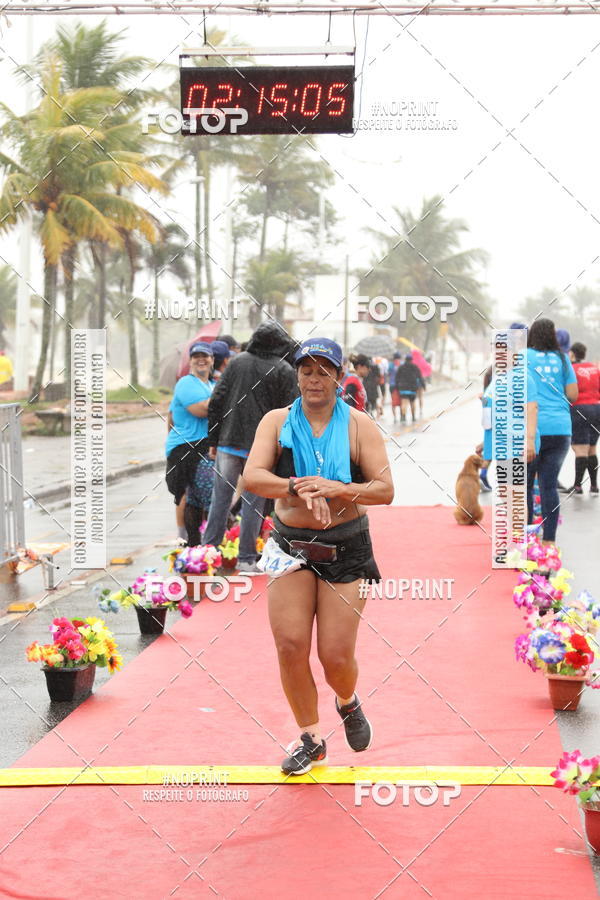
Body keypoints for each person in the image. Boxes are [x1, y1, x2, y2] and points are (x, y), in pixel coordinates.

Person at [243, 338, 394, 775]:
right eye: (306, 370)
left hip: (346, 546)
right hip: (290, 545)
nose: (314, 378)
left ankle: (347, 701)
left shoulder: (359, 427)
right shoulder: (277, 422)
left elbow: (385, 490)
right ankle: (311, 738)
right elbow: (254, 476)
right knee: (290, 644)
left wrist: (337, 488)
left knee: (335, 657)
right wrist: (298, 485)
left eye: (323, 370)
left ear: (338, 375)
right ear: (296, 375)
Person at [203, 323, 298, 574]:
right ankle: (246, 559)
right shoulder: (284, 370)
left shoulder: (237, 362)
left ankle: (207, 557)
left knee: (220, 501)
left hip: (228, 442)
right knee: (253, 504)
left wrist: (213, 439)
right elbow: (289, 415)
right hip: (261, 449)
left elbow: (217, 401)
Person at [526, 318, 578, 544]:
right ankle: (549, 540)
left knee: (526, 485)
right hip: (560, 428)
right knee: (549, 485)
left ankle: (526, 537)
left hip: (532, 428)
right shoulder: (563, 359)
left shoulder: (523, 357)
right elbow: (573, 395)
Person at [165, 342, 215, 543]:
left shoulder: (213, 386)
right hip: (185, 446)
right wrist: (225, 396)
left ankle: (201, 539)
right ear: (190, 361)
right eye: (196, 356)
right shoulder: (186, 383)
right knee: (185, 493)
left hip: (206, 445)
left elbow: (170, 414)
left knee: (202, 492)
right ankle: (183, 539)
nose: (201, 360)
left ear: (212, 360)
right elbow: (200, 410)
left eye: (205, 356)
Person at [567, 341, 600, 495]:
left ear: (572, 353)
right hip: (596, 408)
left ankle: (577, 485)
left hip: (580, 409)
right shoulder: (594, 368)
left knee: (580, 448)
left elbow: (568, 391)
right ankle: (594, 485)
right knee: (592, 448)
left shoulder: (571, 369)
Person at [394, 353, 424, 423]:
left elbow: (397, 378)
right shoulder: (415, 367)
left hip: (403, 388)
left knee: (404, 402)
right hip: (412, 388)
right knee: (412, 403)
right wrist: (423, 385)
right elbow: (420, 377)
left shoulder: (401, 367)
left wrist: (397, 386)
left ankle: (403, 417)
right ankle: (413, 417)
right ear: (411, 360)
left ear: (405, 360)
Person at [388, 352, 402, 424]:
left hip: (392, 385)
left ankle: (395, 417)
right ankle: (401, 416)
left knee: (393, 401)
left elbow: (388, 374)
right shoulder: (401, 364)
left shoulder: (390, 365)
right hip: (400, 385)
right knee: (401, 401)